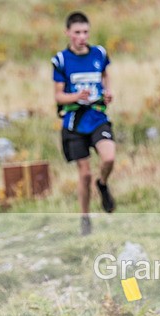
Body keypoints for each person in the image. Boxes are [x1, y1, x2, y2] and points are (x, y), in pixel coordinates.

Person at [52, 11, 116, 236]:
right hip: (74, 122)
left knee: (109, 157)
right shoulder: (61, 60)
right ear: (68, 33)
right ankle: (85, 218)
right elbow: (58, 96)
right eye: (77, 32)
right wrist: (77, 97)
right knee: (84, 174)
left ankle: (103, 183)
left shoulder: (99, 53)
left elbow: (105, 75)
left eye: (85, 32)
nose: (82, 37)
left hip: (97, 117)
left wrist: (107, 92)